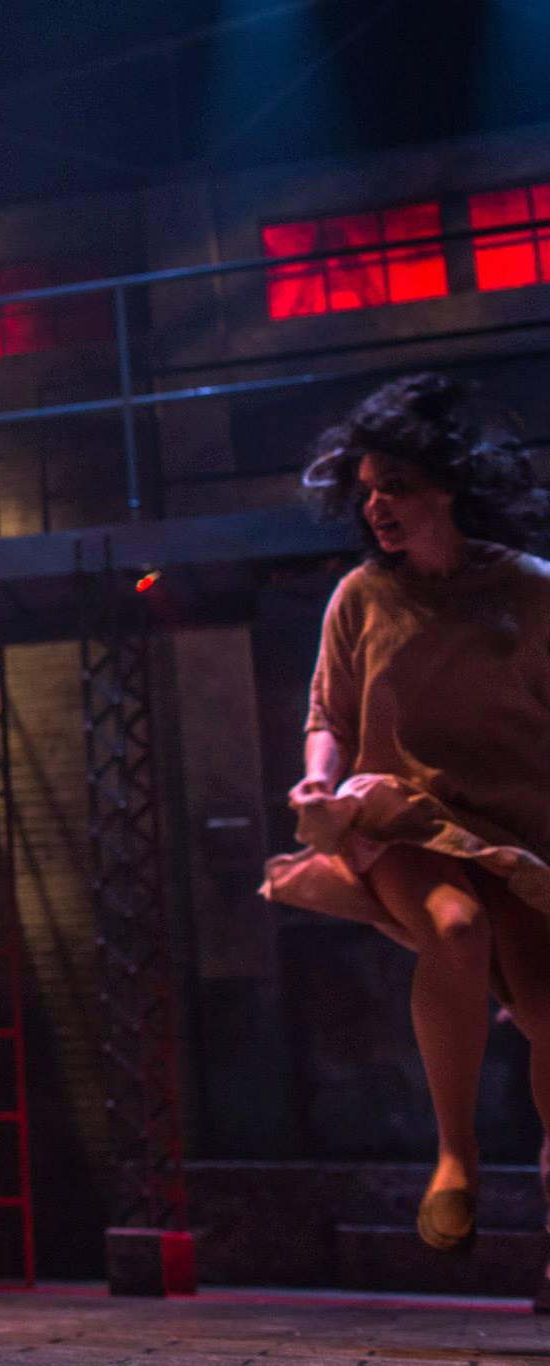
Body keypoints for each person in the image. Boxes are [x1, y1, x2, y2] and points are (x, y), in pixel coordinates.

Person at [261, 374, 550, 1304]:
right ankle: (456, 1158)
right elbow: (328, 715)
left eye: (397, 487)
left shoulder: (528, 589)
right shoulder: (362, 595)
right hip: (402, 818)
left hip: (521, 831)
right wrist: (318, 780)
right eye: (367, 490)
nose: (377, 507)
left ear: (448, 486)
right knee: (455, 927)